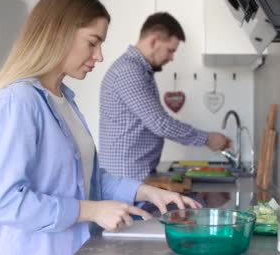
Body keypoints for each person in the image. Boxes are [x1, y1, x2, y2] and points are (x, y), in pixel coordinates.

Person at [0, 0, 200, 255]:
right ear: (58, 32)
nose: (99, 56)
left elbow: (85, 178)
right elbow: (6, 202)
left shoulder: (64, 100)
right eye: (93, 42)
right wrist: (91, 211)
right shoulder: (19, 101)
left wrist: (146, 191)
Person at [98, 12, 231, 181]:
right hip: (126, 179)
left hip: (132, 176)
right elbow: (160, 123)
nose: (172, 58)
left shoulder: (139, 71)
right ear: (154, 41)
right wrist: (207, 138)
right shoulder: (129, 72)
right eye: (170, 50)